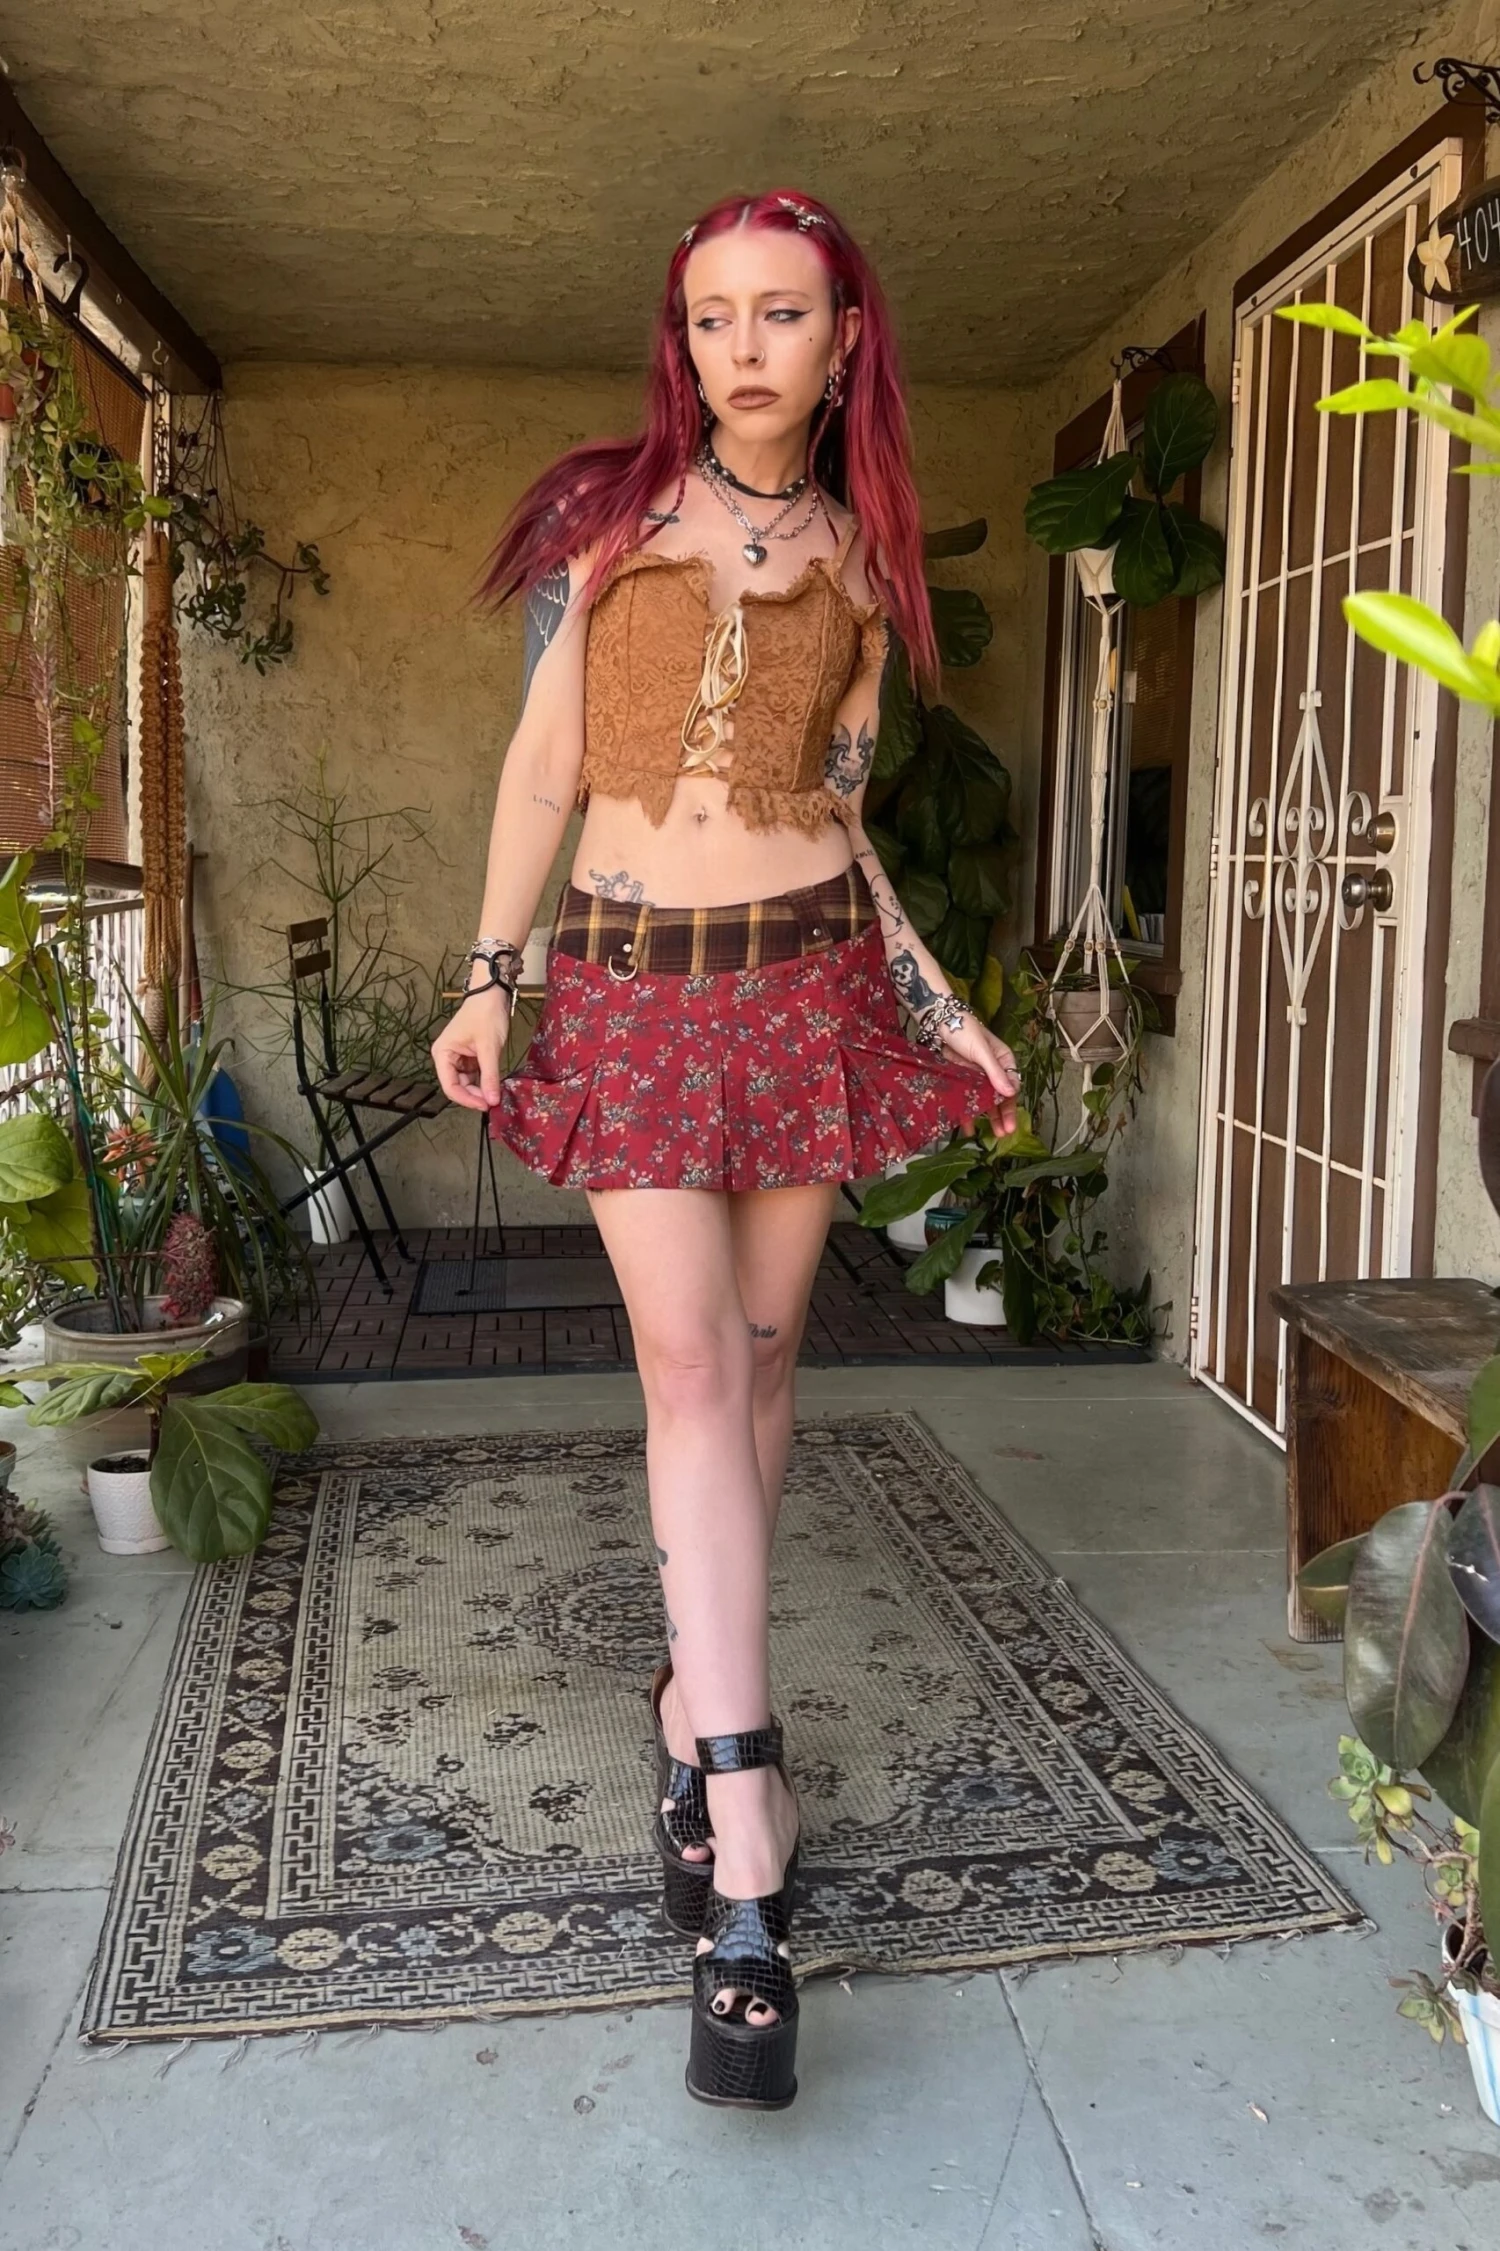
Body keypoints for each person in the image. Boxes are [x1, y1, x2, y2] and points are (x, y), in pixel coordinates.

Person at [432, 187, 1019, 2111]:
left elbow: (843, 816)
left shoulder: (862, 560)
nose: (742, 346)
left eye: (780, 314)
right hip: (627, 988)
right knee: (688, 1365)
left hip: (805, 982)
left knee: (763, 1368)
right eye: (711, 317)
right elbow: (544, 766)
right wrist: (491, 975)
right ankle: (747, 1830)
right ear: (679, 343)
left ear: (846, 342)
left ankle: (692, 1701)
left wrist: (934, 1000)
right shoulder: (605, 525)